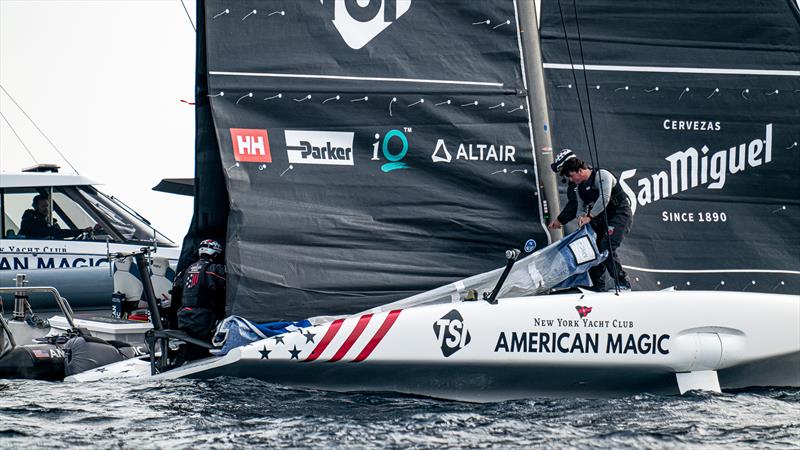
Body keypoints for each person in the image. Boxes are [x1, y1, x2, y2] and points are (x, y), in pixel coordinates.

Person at [548, 149, 633, 291]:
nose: (570, 180)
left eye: (571, 176)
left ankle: (623, 283)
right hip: (601, 218)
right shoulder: (579, 187)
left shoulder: (602, 175)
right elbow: (580, 206)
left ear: (580, 171)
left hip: (619, 215)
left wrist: (590, 216)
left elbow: (604, 198)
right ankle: (597, 287)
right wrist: (581, 218)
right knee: (594, 249)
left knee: (607, 246)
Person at [176, 239, 226, 359]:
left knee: (192, 346)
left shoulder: (186, 269)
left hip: (184, 315)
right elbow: (231, 281)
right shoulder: (213, 269)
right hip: (202, 317)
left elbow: (177, 287)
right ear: (215, 253)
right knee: (202, 350)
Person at [19, 194, 101, 239]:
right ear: (36, 207)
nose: (46, 209)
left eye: (47, 206)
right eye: (43, 206)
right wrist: (81, 230)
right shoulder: (31, 221)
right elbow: (57, 233)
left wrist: (88, 230)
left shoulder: (50, 221)